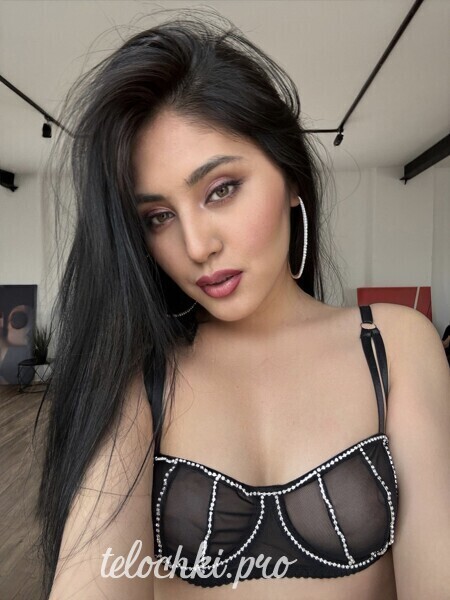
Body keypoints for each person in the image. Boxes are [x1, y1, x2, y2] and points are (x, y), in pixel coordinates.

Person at [34, 9, 449, 600]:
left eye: (221, 189)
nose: (196, 246)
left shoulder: (392, 345)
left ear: (290, 178)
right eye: (159, 217)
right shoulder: (141, 374)